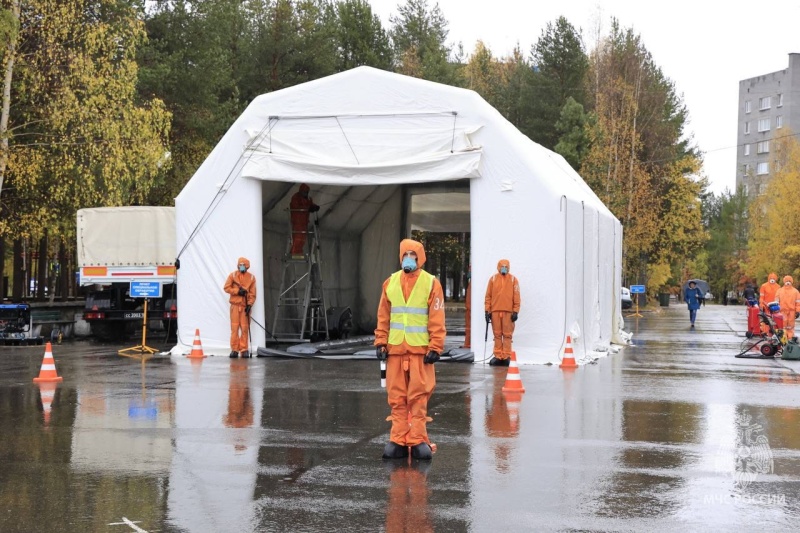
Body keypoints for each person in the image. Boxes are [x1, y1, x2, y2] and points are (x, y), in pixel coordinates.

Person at [375, 239, 445, 461]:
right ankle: (397, 439)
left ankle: (417, 440)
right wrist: (381, 342)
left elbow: (436, 317)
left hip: (420, 352)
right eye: (405, 254)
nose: (409, 259)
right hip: (395, 350)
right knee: (396, 397)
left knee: (418, 396)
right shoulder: (390, 283)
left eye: (413, 255)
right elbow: (383, 316)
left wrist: (436, 346)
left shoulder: (431, 283)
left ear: (420, 258)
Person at [484, 259, 521, 366]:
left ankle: (506, 356)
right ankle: (498, 356)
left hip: (508, 312)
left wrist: (515, 311)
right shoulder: (493, 279)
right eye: (502, 266)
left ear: (508, 267)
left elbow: (517, 296)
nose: (504, 268)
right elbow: (488, 296)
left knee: (507, 335)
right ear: (498, 267)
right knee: (497, 335)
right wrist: (487, 311)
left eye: (506, 266)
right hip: (495, 311)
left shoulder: (513, 280)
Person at [223, 257, 257, 358]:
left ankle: (244, 349)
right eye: (240, 265)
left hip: (244, 307)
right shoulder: (233, 275)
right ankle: (234, 350)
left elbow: (253, 293)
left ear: (247, 266)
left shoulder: (251, 278)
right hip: (235, 307)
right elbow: (226, 288)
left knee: (245, 328)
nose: (241, 267)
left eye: (243, 265)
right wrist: (237, 291)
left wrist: (249, 305)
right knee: (234, 329)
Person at [289, 183, 320, 258]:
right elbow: (296, 207)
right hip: (297, 221)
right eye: (304, 192)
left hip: (304, 222)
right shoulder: (296, 197)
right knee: (297, 238)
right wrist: (308, 208)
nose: (305, 193)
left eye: (307, 192)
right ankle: (294, 253)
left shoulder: (308, 198)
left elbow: (310, 204)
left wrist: (315, 207)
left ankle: (298, 252)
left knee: (302, 239)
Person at [461, 266, 471, 349]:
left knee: (469, 328)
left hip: (471, 309)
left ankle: (468, 344)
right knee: (468, 328)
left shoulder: (474, 284)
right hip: (469, 309)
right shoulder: (471, 283)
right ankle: (467, 344)